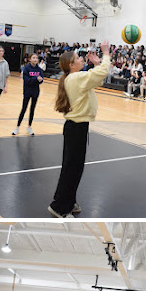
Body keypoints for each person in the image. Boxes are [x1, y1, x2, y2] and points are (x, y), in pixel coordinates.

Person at [47, 39, 111, 218]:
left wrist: (96, 64)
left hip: (76, 128)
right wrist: (106, 53)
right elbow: (103, 72)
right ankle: (59, 206)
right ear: (71, 64)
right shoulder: (75, 78)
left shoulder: (75, 77)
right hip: (76, 128)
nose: (82, 59)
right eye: (78, 58)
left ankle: (69, 200)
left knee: (73, 168)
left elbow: (98, 80)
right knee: (72, 169)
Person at [14, 52, 43, 135]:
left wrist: (38, 80)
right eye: (33, 58)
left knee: (32, 109)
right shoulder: (26, 69)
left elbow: (41, 80)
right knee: (24, 109)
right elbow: (27, 80)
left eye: (36, 58)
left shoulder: (39, 69)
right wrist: (36, 79)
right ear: (30, 59)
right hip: (27, 91)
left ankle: (29, 127)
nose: (35, 59)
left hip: (35, 92)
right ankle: (17, 127)